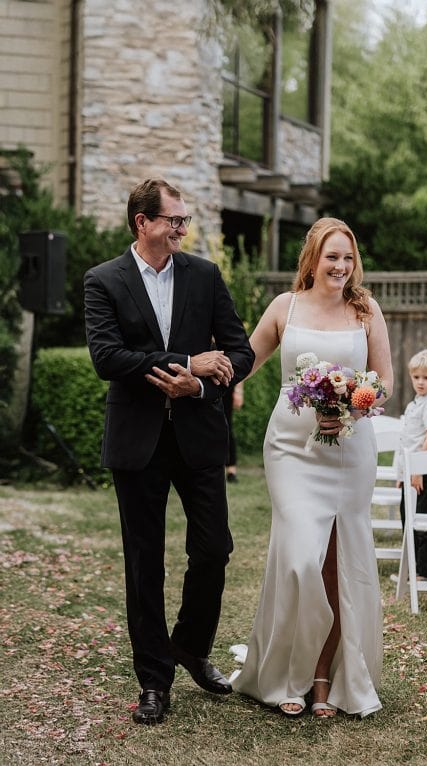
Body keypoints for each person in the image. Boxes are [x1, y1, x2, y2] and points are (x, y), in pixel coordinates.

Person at [83, 178, 255, 725]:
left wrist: (201, 384)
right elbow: (108, 357)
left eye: (184, 220)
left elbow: (240, 351)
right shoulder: (102, 280)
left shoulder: (204, 274)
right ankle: (154, 681)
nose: (183, 228)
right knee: (144, 564)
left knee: (214, 549)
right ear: (143, 223)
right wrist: (187, 360)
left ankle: (189, 644)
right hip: (137, 441)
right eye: (174, 219)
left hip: (198, 434)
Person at [232, 217, 394, 718]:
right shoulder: (286, 307)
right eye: (332, 257)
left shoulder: (366, 310)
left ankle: (322, 678)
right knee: (301, 557)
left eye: (348, 257)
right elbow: (246, 359)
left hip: (349, 450)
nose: (341, 267)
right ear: (313, 258)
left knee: (337, 564)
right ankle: (285, 671)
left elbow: (384, 381)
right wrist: (219, 384)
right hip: (291, 449)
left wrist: (354, 403)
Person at [394, 348, 427, 581]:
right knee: (407, 518)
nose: (421, 382)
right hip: (410, 471)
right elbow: (406, 439)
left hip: (424, 473)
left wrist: (419, 470)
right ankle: (412, 568)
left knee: (423, 522)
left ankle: (425, 570)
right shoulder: (415, 403)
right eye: (417, 377)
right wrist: (402, 473)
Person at [223, 382, 243, 482]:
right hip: (203, 383)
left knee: (226, 425)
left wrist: (238, 391)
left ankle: (231, 470)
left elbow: (238, 367)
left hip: (226, 384)